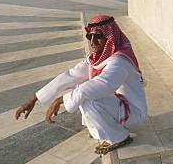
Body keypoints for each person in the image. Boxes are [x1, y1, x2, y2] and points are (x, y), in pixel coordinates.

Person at [15, 14, 147, 155]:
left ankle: (118, 138)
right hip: (118, 106)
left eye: (98, 37)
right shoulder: (98, 58)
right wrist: (34, 98)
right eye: (90, 37)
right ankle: (102, 130)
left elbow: (102, 85)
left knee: (86, 96)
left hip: (133, 114)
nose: (93, 42)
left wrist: (61, 100)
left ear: (109, 38)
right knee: (80, 89)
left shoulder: (119, 61)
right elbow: (70, 76)